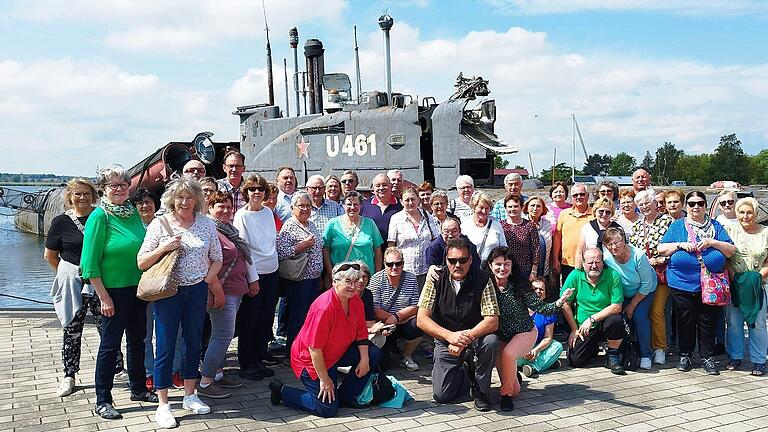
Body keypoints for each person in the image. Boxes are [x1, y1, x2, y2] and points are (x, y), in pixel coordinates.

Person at [137, 178, 223, 428]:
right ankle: (163, 403)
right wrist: (164, 247)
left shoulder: (206, 224)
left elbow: (216, 258)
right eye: (180, 197)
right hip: (168, 292)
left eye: (190, 197)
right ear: (172, 200)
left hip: (196, 290)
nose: (185, 202)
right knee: (164, 343)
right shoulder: (159, 224)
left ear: (197, 200)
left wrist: (205, 281)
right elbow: (141, 262)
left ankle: (189, 395)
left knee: (193, 342)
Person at [80, 166, 152, 420]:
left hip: (138, 288)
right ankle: (103, 399)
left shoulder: (131, 212)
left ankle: (139, 389)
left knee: (137, 340)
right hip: (112, 291)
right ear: (103, 189)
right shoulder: (100, 216)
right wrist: (104, 297)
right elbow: (89, 263)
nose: (119, 189)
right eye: (114, 185)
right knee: (110, 346)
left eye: (123, 184)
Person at [268, 262, 382, 418]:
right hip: (311, 360)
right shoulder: (324, 307)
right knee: (326, 410)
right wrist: (324, 379)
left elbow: (361, 331)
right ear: (334, 282)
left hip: (337, 353)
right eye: (348, 281)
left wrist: (364, 360)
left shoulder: (355, 300)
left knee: (373, 353)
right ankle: (282, 391)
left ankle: (345, 396)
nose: (353, 286)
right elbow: (314, 349)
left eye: (356, 281)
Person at [657, 191, 735, 375]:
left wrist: (712, 242)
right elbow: (661, 248)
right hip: (682, 283)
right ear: (687, 206)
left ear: (706, 206)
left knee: (708, 321)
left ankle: (708, 357)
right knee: (685, 321)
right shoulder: (678, 226)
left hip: (711, 284)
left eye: (700, 203)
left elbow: (731, 250)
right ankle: (685, 354)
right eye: (691, 204)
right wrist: (679, 245)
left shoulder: (716, 226)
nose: (696, 207)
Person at [485, 247, 572, 411]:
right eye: (498, 264)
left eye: (507, 264)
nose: (502, 268)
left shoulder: (521, 285)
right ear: (490, 265)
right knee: (516, 390)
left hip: (525, 332)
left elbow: (542, 308)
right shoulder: (485, 285)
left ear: (512, 267)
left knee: (508, 354)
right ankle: (514, 382)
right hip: (502, 337)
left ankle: (505, 396)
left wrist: (561, 300)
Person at [417, 237, 499, 410]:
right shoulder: (435, 279)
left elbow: (492, 321)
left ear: (470, 260)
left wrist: (464, 338)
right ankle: (466, 372)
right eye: (452, 261)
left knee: (491, 342)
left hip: (477, 337)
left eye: (462, 260)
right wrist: (450, 336)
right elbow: (421, 319)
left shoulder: (483, 279)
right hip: (446, 339)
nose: (457, 265)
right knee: (442, 396)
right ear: (446, 260)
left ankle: (481, 390)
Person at [44, 178, 107, 397]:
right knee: (71, 329)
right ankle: (69, 375)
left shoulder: (101, 217)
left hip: (100, 281)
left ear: (94, 195)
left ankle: (117, 368)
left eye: (86, 193)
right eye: (77, 193)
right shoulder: (61, 222)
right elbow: (50, 256)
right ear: (70, 196)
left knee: (106, 327)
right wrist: (68, 273)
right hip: (73, 282)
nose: (82, 197)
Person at [196, 191, 250, 399]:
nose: (226, 210)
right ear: (210, 208)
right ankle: (206, 381)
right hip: (221, 291)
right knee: (222, 336)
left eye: (228, 206)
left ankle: (217, 374)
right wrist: (216, 289)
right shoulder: (210, 230)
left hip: (235, 289)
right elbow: (207, 263)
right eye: (220, 206)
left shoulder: (229, 230)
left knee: (222, 336)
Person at [233, 174, 281, 380]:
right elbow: (244, 250)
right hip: (254, 274)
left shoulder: (268, 213)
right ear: (246, 193)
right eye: (252, 189)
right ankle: (247, 362)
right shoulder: (241, 216)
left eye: (260, 189)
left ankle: (259, 358)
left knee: (265, 318)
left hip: (272, 272)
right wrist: (252, 279)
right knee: (249, 320)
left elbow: (271, 242)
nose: (257, 193)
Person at [560, 248, 627, 375]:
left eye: (598, 262)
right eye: (590, 263)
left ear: (603, 262)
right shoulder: (575, 275)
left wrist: (592, 319)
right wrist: (574, 329)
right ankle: (592, 348)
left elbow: (617, 306)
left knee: (616, 320)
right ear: (583, 263)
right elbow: (565, 303)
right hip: (583, 326)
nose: (594, 266)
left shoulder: (613, 275)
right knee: (575, 361)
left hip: (604, 321)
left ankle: (612, 356)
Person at [723, 197, 768, 376]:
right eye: (742, 212)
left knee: (757, 323)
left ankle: (759, 360)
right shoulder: (729, 231)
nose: (745, 216)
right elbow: (724, 257)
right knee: (733, 322)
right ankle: (735, 356)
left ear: (756, 213)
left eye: (749, 212)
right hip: (735, 282)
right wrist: (735, 278)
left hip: (759, 284)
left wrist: (756, 278)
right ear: (736, 213)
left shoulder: (766, 232)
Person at [629, 188, 674, 365]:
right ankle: (644, 348)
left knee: (657, 311)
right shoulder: (637, 226)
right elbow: (632, 249)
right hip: (641, 276)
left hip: (661, 273)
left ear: (655, 202)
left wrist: (660, 259)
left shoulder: (667, 222)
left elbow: (675, 247)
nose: (644, 207)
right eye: (640, 204)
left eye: (647, 202)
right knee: (642, 313)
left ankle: (660, 347)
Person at [602, 227, 657, 370]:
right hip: (624, 292)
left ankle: (646, 354)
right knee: (621, 319)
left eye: (617, 242)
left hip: (644, 291)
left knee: (639, 317)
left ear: (624, 241)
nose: (614, 247)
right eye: (609, 244)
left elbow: (647, 284)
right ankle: (620, 352)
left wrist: (632, 305)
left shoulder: (638, 256)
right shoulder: (607, 258)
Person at [276, 192, 324, 353]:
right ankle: (293, 353)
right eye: (301, 206)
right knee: (298, 318)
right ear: (292, 208)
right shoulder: (289, 225)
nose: (305, 209)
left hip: (314, 279)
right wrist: (300, 246)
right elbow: (281, 252)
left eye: (308, 206)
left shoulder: (310, 224)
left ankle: (306, 350)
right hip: (299, 281)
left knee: (310, 319)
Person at [369, 247, 423, 371]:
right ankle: (390, 349)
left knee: (419, 324)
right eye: (390, 264)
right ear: (384, 264)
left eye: (398, 263)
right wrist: (391, 320)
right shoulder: (376, 279)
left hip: (403, 321)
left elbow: (415, 306)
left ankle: (407, 355)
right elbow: (374, 309)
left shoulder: (411, 278)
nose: (394, 267)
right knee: (383, 366)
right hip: (383, 325)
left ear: (403, 263)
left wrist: (396, 317)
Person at [324, 191, 384, 284]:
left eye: (356, 204)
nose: (352, 207)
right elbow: (325, 250)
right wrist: (330, 273)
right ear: (343, 206)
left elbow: (378, 251)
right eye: (349, 204)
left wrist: (377, 276)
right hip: (341, 278)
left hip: (365, 279)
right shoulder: (333, 224)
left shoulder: (370, 223)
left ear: (360, 206)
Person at [387, 186, 439, 288]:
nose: (410, 203)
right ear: (401, 202)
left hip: (426, 270)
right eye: (407, 200)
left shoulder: (427, 216)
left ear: (418, 200)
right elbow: (391, 246)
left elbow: (436, 239)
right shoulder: (396, 219)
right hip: (405, 270)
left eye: (413, 199)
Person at [517, 278, 565, 378]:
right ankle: (547, 363)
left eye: (541, 289)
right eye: (534, 289)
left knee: (557, 346)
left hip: (537, 347)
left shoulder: (548, 312)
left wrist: (536, 350)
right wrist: (525, 349)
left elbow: (548, 338)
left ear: (545, 294)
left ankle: (533, 367)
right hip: (519, 348)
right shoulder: (519, 308)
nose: (538, 291)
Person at [553, 183, 591, 283]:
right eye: (575, 195)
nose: (578, 197)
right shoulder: (564, 214)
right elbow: (557, 238)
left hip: (589, 263)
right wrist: (555, 259)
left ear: (588, 196)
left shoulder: (595, 214)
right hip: (567, 263)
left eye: (582, 194)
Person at [499, 194, 540, 280]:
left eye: (516, 206)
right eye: (510, 207)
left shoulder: (530, 225)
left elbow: (536, 249)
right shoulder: (500, 225)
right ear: (505, 208)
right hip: (505, 269)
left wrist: (534, 271)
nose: (512, 209)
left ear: (521, 207)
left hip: (525, 270)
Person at [574, 198, 622, 269]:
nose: (604, 214)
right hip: (592, 268)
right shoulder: (587, 228)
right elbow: (580, 252)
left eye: (608, 212)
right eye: (601, 211)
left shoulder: (618, 229)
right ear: (595, 212)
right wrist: (578, 270)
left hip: (614, 269)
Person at [461, 192, 507, 266]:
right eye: (481, 207)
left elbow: (504, 248)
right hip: (471, 267)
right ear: (474, 207)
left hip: (492, 268)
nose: (484, 211)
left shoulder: (496, 225)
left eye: (487, 208)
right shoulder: (465, 225)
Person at [361, 174, 403, 244]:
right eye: (378, 185)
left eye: (384, 185)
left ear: (391, 186)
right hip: (371, 250)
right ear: (373, 189)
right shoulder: (364, 205)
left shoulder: (401, 205)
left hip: (395, 251)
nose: (381, 188)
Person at [524, 196, 552, 283]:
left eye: (538, 206)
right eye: (532, 205)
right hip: (525, 270)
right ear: (527, 208)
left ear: (543, 209)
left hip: (544, 268)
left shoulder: (547, 224)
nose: (535, 208)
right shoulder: (522, 223)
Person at [216, 150, 247, 215]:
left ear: (243, 168)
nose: (234, 169)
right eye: (231, 166)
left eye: (238, 166)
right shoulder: (216, 187)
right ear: (224, 168)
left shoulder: (250, 188)